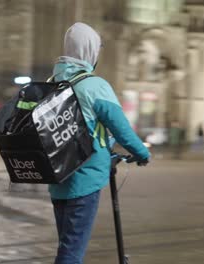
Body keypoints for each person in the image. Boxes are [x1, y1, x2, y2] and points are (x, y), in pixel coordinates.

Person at [49, 22, 150, 264]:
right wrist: (141, 152)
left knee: (67, 243)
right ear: (90, 51)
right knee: (71, 252)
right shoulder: (94, 86)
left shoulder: (52, 81)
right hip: (85, 178)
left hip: (57, 178)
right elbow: (120, 127)